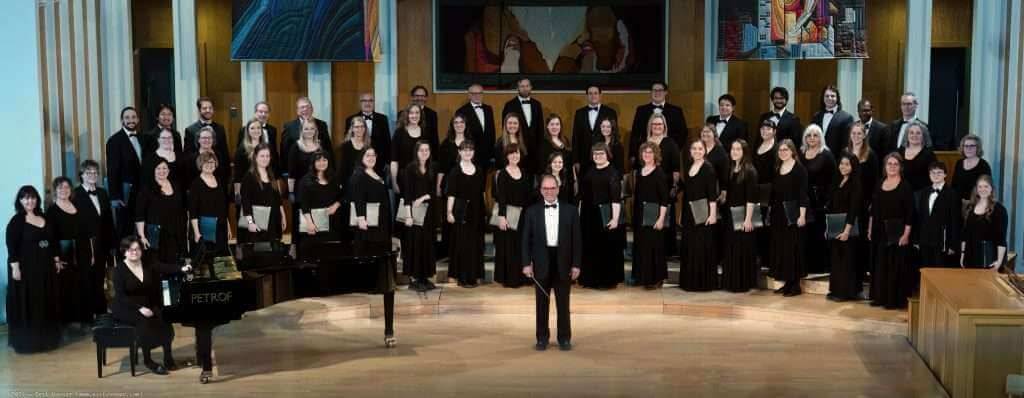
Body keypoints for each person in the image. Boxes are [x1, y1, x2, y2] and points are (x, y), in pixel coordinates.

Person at [111, 236, 191, 375]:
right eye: (130, 250)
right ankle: (148, 361)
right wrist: (140, 308)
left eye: (137, 249)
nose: (134, 252)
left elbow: (164, 267)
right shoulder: (119, 270)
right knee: (144, 322)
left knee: (165, 319)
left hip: (146, 303)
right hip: (126, 306)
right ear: (124, 252)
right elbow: (121, 296)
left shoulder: (147, 263)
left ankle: (168, 358)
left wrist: (181, 268)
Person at [521, 174, 582, 351]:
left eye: (552, 188)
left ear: (558, 189)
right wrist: (526, 263)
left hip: (563, 261)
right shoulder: (532, 211)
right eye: (545, 189)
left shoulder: (571, 211)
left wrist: (576, 264)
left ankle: (564, 338)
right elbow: (525, 240)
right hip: (541, 261)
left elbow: (577, 240)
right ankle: (542, 338)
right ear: (540, 190)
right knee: (541, 303)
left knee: (563, 303)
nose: (549, 191)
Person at [6, 185, 62, 353]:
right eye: (25, 198)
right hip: (26, 270)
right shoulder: (16, 221)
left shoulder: (44, 217)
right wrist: (15, 268)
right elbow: (12, 247)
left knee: (45, 301)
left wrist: (57, 260)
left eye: (32, 197)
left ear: (37, 199)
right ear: (20, 201)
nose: (29, 201)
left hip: (45, 268)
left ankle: (47, 341)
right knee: (29, 303)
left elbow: (53, 242)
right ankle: (29, 343)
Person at [868, 153, 914, 309]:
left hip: (897, 231)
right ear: (885, 166)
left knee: (894, 266)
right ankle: (879, 297)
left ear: (900, 167)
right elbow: (873, 209)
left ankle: (893, 300)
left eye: (895, 164)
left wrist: (906, 234)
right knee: (880, 264)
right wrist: (870, 227)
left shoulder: (905, 186)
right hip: (879, 229)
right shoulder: (879, 183)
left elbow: (910, 213)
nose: (892, 166)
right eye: (889, 164)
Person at [46, 177, 94, 326]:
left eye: (67, 187)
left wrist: (91, 253)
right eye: (60, 187)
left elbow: (87, 233)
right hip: (64, 252)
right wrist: (56, 259)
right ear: (55, 190)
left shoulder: (78, 206)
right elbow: (51, 238)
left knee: (85, 283)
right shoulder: (52, 211)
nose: (64, 190)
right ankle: (70, 321)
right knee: (68, 286)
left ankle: (85, 318)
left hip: (83, 250)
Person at [577, 143, 624, 290]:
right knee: (591, 248)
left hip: (605, 214)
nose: (598, 156)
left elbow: (616, 198)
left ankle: (606, 281)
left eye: (601, 154)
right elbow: (583, 195)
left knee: (605, 249)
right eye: (595, 154)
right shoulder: (590, 170)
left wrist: (615, 219)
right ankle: (590, 279)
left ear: (607, 154)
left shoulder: (612, 172)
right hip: (589, 215)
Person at [73, 160, 115, 316]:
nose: (92, 175)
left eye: (95, 172)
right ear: (82, 175)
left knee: (99, 277)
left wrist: (112, 243)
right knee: (87, 279)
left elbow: (108, 219)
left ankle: (101, 311)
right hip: (86, 244)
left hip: (102, 243)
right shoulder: (75, 194)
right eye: (88, 172)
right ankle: (88, 313)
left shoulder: (103, 192)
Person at [769, 139, 809, 297]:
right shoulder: (778, 167)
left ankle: (795, 285)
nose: (782, 152)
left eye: (786, 150)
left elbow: (803, 195)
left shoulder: (800, 169)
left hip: (793, 214)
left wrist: (802, 215)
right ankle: (786, 282)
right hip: (779, 214)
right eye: (780, 150)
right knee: (782, 249)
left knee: (793, 249)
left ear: (792, 151)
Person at [679, 139, 719, 292]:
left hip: (703, 212)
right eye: (694, 148)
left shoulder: (708, 168)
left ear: (705, 151)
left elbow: (712, 195)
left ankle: (702, 283)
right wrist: (682, 212)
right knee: (690, 246)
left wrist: (713, 214)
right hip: (690, 211)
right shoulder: (689, 166)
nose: (697, 151)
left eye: (700, 149)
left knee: (701, 246)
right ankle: (690, 282)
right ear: (690, 151)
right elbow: (688, 192)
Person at [493, 144, 534, 288]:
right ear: (507, 156)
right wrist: (502, 216)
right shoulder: (502, 174)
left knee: (522, 246)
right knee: (509, 247)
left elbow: (529, 196)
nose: (514, 156)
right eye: (511, 154)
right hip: (509, 214)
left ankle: (523, 277)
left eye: (516, 153)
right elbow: (501, 197)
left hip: (523, 215)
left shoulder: (524, 172)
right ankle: (511, 278)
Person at [446, 141, 486, 287]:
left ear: (473, 152)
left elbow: (481, 192)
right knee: (462, 244)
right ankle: (462, 278)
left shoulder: (479, 170)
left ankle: (474, 276)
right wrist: (449, 212)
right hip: (461, 211)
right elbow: (451, 194)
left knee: (475, 244)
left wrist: (484, 211)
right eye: (465, 150)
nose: (468, 152)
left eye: (470, 150)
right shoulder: (455, 171)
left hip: (476, 211)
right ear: (460, 152)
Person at [400, 141, 439, 292]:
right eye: (421, 150)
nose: (424, 152)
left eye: (427, 150)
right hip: (413, 212)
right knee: (415, 244)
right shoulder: (410, 168)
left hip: (428, 210)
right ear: (416, 152)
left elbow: (432, 192)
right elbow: (407, 193)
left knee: (427, 243)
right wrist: (408, 216)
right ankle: (414, 278)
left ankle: (425, 277)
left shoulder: (432, 167)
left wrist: (423, 198)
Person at [722, 139, 759, 293]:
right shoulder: (731, 168)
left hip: (744, 215)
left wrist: (748, 219)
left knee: (742, 249)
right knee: (732, 248)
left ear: (744, 152)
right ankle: (731, 281)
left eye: (738, 149)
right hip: (731, 214)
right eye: (732, 149)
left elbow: (751, 198)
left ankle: (742, 282)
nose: (734, 151)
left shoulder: (750, 171)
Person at [631, 142, 670, 289]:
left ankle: (656, 279)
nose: (647, 155)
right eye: (644, 152)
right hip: (640, 214)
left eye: (650, 152)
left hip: (654, 215)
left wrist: (661, 219)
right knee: (641, 246)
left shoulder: (659, 173)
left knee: (654, 247)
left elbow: (664, 199)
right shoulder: (640, 171)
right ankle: (642, 277)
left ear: (655, 155)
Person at [825, 153, 863, 301]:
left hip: (848, 226)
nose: (843, 167)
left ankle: (846, 292)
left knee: (847, 261)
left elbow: (854, 209)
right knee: (836, 260)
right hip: (836, 225)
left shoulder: (856, 184)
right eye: (841, 163)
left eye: (847, 164)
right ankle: (836, 290)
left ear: (853, 166)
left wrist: (847, 230)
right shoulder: (838, 180)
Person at [643, 113, 681, 258]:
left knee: (665, 219)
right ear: (650, 126)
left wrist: (674, 186)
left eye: (660, 124)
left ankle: (666, 251)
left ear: (664, 126)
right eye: (654, 124)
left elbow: (676, 168)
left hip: (665, 186)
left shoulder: (670, 143)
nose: (657, 127)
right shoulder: (645, 142)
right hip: (646, 187)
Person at [135, 159, 186, 265]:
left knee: (173, 263)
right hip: (156, 233)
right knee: (156, 264)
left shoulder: (176, 185)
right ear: (153, 170)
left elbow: (182, 208)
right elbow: (139, 214)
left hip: (174, 231)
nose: (161, 171)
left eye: (164, 168)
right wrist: (142, 236)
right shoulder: (147, 188)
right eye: (158, 168)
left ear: (168, 170)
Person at [801, 124, 836, 274]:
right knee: (806, 234)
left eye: (815, 135)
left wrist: (828, 201)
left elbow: (833, 180)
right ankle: (806, 265)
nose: (812, 138)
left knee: (818, 234)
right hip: (804, 200)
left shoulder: (826, 154)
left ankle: (819, 266)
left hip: (820, 202)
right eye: (809, 135)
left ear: (820, 137)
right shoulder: (801, 153)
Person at [238, 144, 287, 245]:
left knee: (273, 250)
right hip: (258, 220)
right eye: (262, 156)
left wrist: (283, 216)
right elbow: (245, 202)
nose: (265, 159)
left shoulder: (271, 173)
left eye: (267, 156)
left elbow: (277, 198)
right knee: (260, 251)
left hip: (273, 219)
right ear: (255, 157)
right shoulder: (249, 176)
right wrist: (250, 223)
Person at [297, 151, 343, 258]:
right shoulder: (305, 181)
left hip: (332, 226)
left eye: (324, 160)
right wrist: (309, 223)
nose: (321, 162)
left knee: (331, 257)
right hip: (313, 226)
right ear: (313, 163)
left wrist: (336, 205)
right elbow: (304, 204)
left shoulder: (334, 178)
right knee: (313, 256)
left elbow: (343, 196)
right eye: (318, 160)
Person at [914, 162, 960, 268]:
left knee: (940, 271)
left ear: (945, 175)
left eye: (939, 173)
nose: (936, 175)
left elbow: (955, 220)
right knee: (925, 270)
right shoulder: (924, 192)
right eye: (933, 173)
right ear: (929, 175)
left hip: (942, 241)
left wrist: (953, 244)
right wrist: (917, 239)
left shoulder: (952, 194)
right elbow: (920, 217)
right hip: (925, 240)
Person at [106, 107, 143, 238]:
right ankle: (124, 257)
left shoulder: (143, 138)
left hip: (141, 190)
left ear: (137, 119)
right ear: (122, 120)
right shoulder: (114, 141)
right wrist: (115, 196)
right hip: (125, 192)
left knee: (141, 226)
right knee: (125, 228)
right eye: (127, 118)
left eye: (133, 117)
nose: (131, 120)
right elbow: (112, 170)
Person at [959, 175, 1008, 269]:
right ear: (976, 189)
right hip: (970, 257)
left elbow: (1001, 239)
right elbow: (965, 234)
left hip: (989, 258)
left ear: (991, 189)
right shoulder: (970, 207)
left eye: (986, 186)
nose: (983, 189)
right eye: (980, 187)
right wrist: (962, 255)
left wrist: (999, 261)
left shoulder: (999, 210)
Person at [631, 81, 687, 162]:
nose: (657, 93)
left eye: (660, 90)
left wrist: (673, 149)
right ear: (651, 92)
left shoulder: (676, 111)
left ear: (665, 92)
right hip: (645, 154)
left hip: (668, 155)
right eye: (654, 90)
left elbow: (683, 133)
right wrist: (633, 154)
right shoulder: (641, 110)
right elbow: (635, 134)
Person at [189, 152, 230, 255]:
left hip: (221, 226)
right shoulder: (195, 184)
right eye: (206, 162)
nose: (209, 165)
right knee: (207, 258)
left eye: (212, 162)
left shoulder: (219, 181)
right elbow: (193, 211)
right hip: (205, 227)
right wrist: (197, 232)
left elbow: (223, 206)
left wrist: (228, 226)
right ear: (200, 164)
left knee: (221, 258)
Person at [283, 97, 333, 178]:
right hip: (298, 173)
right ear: (297, 111)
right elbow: (285, 151)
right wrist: (286, 173)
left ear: (312, 109)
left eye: (308, 107)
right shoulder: (289, 127)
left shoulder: (322, 125)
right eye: (302, 107)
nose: (305, 109)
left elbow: (328, 148)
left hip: (319, 173)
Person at [572, 85, 617, 175]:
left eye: (595, 93)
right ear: (587, 96)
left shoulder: (610, 112)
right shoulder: (579, 113)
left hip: (603, 157)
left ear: (600, 95)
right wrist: (576, 160)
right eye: (590, 93)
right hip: (584, 158)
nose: (593, 96)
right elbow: (575, 137)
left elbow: (614, 135)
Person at [350, 148, 392, 244]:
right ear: (361, 158)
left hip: (380, 220)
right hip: (368, 221)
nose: (371, 158)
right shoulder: (359, 175)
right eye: (368, 155)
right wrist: (361, 218)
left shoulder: (376, 173)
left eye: (373, 155)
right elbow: (358, 198)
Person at [183, 97, 231, 179]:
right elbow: (188, 155)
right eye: (204, 108)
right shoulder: (190, 130)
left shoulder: (220, 128)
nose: (208, 110)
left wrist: (227, 175)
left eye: (210, 108)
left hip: (218, 174)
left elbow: (224, 153)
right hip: (198, 174)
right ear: (199, 110)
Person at [753, 120, 778, 267]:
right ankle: (759, 257)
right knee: (758, 225)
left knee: (768, 226)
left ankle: (768, 259)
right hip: (757, 191)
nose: (764, 131)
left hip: (769, 192)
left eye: (768, 128)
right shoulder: (757, 146)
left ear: (774, 131)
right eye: (762, 128)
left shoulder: (776, 148)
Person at [235, 117, 279, 198]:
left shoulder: (268, 147)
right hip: (248, 186)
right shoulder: (242, 149)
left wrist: (276, 187)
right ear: (247, 131)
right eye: (252, 128)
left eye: (258, 128)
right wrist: (237, 192)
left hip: (266, 184)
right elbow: (238, 173)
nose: (256, 130)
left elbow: (273, 169)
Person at [455, 84, 496, 168]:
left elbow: (492, 132)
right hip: (470, 155)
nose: (477, 96)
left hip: (486, 155)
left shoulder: (488, 109)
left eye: (480, 93)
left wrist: (492, 153)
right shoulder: (462, 111)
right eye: (474, 93)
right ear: (469, 95)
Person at [502, 78, 544, 159]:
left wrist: (540, 148)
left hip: (535, 149)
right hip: (517, 148)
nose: (525, 89)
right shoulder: (509, 105)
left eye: (527, 86)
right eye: (522, 86)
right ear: (517, 88)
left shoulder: (537, 104)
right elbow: (505, 127)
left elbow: (540, 127)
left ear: (531, 87)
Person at [392, 104, 428, 193]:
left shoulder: (426, 132)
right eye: (411, 113)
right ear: (407, 115)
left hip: (422, 177)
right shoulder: (399, 133)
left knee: (422, 206)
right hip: (404, 178)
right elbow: (394, 160)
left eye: (417, 113)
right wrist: (394, 182)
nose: (414, 115)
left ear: (421, 115)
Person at [810, 85, 855, 153]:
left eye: (832, 96)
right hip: (817, 156)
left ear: (837, 98)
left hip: (835, 158)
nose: (829, 98)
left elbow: (846, 144)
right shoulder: (816, 116)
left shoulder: (847, 118)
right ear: (823, 98)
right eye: (827, 96)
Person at [237, 101, 279, 172]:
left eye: (266, 112)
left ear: (269, 114)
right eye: (260, 111)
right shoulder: (244, 130)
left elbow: (274, 152)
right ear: (255, 113)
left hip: (269, 171)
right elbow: (239, 155)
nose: (263, 114)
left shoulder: (273, 130)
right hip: (248, 171)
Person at [951, 134, 992, 202]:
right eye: (966, 146)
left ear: (978, 148)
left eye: (972, 146)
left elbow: (986, 189)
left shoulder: (984, 165)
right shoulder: (959, 163)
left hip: (976, 204)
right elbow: (954, 185)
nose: (968, 149)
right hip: (958, 203)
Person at [898, 121, 937, 192]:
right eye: (911, 132)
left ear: (923, 136)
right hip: (901, 192)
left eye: (918, 133)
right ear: (907, 135)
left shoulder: (929, 155)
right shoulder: (899, 152)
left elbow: (935, 177)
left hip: (921, 194)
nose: (914, 135)